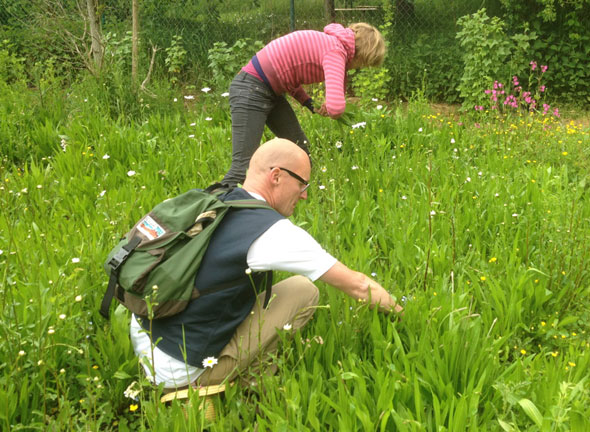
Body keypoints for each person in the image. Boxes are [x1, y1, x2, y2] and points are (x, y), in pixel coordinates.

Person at [131, 138, 402, 389]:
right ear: (276, 176)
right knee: (304, 290)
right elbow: (358, 285)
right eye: (302, 184)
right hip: (180, 370)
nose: (305, 195)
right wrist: (404, 315)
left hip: (146, 335)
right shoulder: (270, 231)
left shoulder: (217, 198)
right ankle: (249, 387)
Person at [221, 22, 386, 187]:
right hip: (251, 89)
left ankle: (298, 197)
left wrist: (309, 102)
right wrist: (331, 108)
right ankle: (210, 207)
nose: (359, 67)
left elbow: (287, 74)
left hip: (270, 91)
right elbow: (336, 108)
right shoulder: (336, 52)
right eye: (364, 63)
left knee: (301, 151)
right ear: (361, 54)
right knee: (241, 169)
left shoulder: (331, 44)